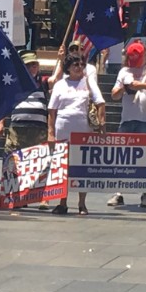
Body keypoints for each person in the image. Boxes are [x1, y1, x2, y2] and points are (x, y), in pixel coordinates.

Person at [108, 41, 146, 207]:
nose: (135, 64)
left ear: (145, 55)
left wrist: (140, 85)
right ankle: (118, 192)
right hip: (127, 118)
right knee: (121, 157)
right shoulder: (125, 71)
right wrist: (125, 88)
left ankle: (145, 191)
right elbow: (114, 95)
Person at [48, 53, 105, 215]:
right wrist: (50, 133)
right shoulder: (59, 85)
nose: (79, 67)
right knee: (63, 167)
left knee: (82, 168)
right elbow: (52, 111)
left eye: (81, 64)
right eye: (76, 65)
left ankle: (82, 203)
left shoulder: (88, 82)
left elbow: (101, 102)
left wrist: (102, 125)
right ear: (68, 68)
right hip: (62, 129)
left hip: (82, 130)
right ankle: (62, 202)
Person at [0, 49, 50, 207]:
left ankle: (43, 197)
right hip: (17, 128)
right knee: (13, 162)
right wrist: (0, 123)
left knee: (40, 162)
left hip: (39, 128)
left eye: (34, 64)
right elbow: (3, 104)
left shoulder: (43, 81)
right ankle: (16, 196)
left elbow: (58, 78)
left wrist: (60, 58)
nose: (31, 68)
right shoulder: (13, 83)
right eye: (28, 65)